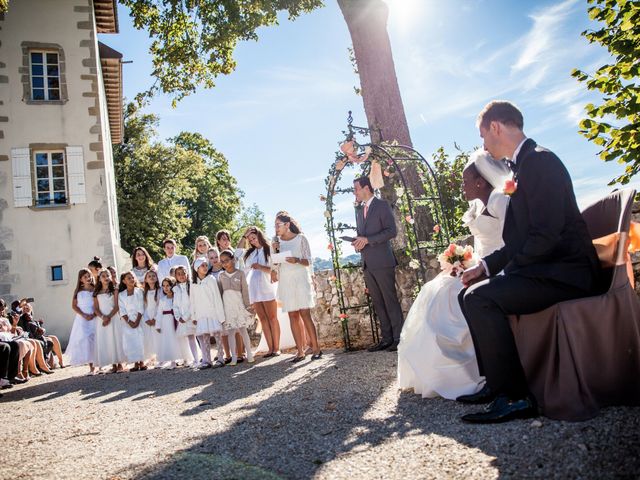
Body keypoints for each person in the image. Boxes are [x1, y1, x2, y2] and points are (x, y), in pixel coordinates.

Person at [458, 100, 600, 423]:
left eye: (483, 136)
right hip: (547, 267)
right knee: (467, 292)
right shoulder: (521, 167)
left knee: (481, 298)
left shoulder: (540, 162)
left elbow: (546, 236)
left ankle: (517, 397)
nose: (483, 145)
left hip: (566, 273)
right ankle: (496, 384)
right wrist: (486, 267)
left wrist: (507, 271)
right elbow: (519, 241)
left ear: (496, 127)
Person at [398, 150, 510, 399]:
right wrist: (464, 263)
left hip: (498, 268)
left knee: (446, 294)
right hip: (481, 265)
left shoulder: (500, 200)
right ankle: (436, 372)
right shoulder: (480, 204)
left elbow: (509, 243)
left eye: (465, 181)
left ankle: (465, 374)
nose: (462, 186)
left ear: (480, 181)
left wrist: (484, 268)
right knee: (434, 289)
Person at [352, 176, 404, 352]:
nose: (355, 193)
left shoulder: (382, 205)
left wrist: (368, 240)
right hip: (368, 263)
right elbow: (363, 236)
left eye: (356, 189)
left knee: (390, 301)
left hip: (383, 261)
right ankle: (386, 339)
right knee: (378, 303)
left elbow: (391, 231)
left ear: (366, 188)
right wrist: (358, 244)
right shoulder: (360, 211)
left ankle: (399, 338)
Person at [273, 211, 321, 361]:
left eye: (278, 225)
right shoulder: (276, 242)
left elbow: (308, 261)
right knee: (292, 315)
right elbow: (274, 263)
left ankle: (316, 349)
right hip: (286, 280)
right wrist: (275, 249)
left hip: (300, 278)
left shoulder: (301, 239)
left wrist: (297, 260)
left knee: (305, 314)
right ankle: (300, 351)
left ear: (287, 225)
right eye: (274, 225)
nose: (275, 228)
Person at [244, 226, 280, 357]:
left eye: (253, 237)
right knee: (263, 319)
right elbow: (238, 257)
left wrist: (259, 267)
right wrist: (244, 236)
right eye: (250, 239)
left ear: (259, 235)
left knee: (272, 317)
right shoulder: (250, 254)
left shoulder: (269, 249)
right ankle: (270, 348)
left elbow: (274, 269)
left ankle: (276, 348)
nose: (252, 241)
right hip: (254, 289)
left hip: (267, 287)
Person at [218, 250, 255, 365]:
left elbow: (245, 291)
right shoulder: (221, 276)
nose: (225, 263)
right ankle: (233, 357)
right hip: (227, 306)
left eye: (227, 260)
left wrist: (247, 306)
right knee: (231, 332)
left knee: (243, 329)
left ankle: (249, 354)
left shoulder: (240, 273)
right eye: (222, 262)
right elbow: (220, 293)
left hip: (238, 304)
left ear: (233, 260)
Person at [191, 258, 227, 369]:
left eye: (206, 265)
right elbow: (192, 300)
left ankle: (220, 358)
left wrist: (220, 315)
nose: (205, 268)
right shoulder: (193, 283)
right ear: (197, 268)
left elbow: (216, 297)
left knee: (217, 335)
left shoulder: (211, 279)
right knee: (205, 336)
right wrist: (194, 315)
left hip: (212, 312)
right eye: (202, 266)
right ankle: (207, 360)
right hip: (201, 314)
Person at [155, 276, 192, 369]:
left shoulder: (177, 297)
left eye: (168, 285)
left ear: (172, 285)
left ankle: (185, 359)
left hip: (176, 320)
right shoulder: (162, 300)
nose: (166, 288)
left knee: (181, 339)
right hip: (166, 322)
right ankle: (173, 360)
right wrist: (158, 325)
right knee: (170, 340)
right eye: (163, 286)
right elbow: (159, 313)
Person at [65, 268, 97, 374]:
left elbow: (99, 303)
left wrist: (94, 314)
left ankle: (100, 364)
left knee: (96, 338)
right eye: (85, 277)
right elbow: (74, 306)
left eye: (89, 276)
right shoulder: (78, 291)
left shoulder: (95, 289)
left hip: (94, 316)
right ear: (81, 280)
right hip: (83, 318)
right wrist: (83, 315)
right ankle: (92, 367)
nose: (88, 278)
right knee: (86, 339)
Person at [93, 268, 122, 373]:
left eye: (107, 275)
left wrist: (108, 317)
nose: (106, 278)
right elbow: (95, 308)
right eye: (103, 276)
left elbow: (116, 306)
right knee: (107, 340)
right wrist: (102, 317)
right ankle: (113, 364)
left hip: (113, 317)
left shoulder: (114, 290)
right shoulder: (96, 292)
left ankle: (119, 364)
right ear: (99, 279)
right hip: (102, 319)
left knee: (115, 339)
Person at [118, 271, 146, 372]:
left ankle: (142, 362)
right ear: (124, 281)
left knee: (140, 339)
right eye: (129, 278)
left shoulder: (139, 291)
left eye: (132, 278)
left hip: (139, 318)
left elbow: (140, 306)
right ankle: (135, 362)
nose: (131, 280)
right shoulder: (121, 295)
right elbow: (122, 309)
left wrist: (137, 320)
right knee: (131, 341)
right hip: (128, 321)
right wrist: (129, 321)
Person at [173, 265, 199, 366]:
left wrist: (185, 317)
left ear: (187, 274)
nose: (181, 276)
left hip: (191, 316)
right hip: (182, 319)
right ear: (175, 276)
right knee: (189, 338)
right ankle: (192, 359)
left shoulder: (191, 285)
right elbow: (175, 305)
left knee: (196, 336)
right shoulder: (176, 289)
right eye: (178, 274)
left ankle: (201, 358)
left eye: (183, 273)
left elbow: (193, 303)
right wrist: (178, 316)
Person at [142, 270, 161, 366]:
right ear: (145, 280)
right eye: (149, 276)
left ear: (157, 278)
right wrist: (146, 318)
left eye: (154, 276)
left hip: (157, 317)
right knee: (151, 338)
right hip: (148, 317)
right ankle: (154, 358)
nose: (152, 277)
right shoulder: (144, 292)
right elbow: (144, 306)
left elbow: (160, 305)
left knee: (159, 337)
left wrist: (155, 318)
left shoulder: (160, 290)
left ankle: (162, 357)